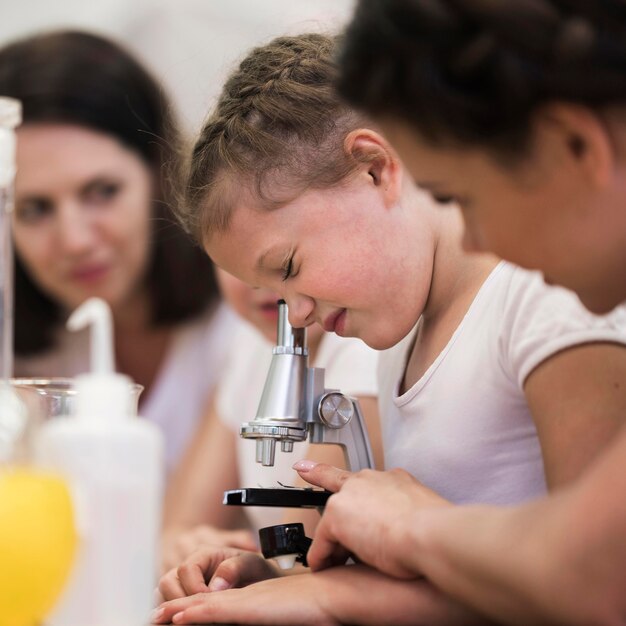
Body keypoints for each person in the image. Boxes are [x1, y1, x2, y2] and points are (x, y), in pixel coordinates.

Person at [152, 33, 626, 625]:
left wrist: (333, 597)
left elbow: (596, 583)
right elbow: (443, 571)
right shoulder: (400, 338)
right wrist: (270, 578)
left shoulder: (545, 294)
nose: (295, 315)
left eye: (290, 269)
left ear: (375, 168)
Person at [0, 30, 237, 477]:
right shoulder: (20, 364)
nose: (75, 240)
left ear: (158, 172)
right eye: (34, 209)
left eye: (102, 191)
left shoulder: (244, 317)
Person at [161, 268, 382, 571]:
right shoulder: (251, 343)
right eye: (237, 263)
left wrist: (243, 568)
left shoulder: (365, 347)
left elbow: (303, 560)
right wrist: (187, 547)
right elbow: (177, 526)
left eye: (286, 261)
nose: (263, 282)